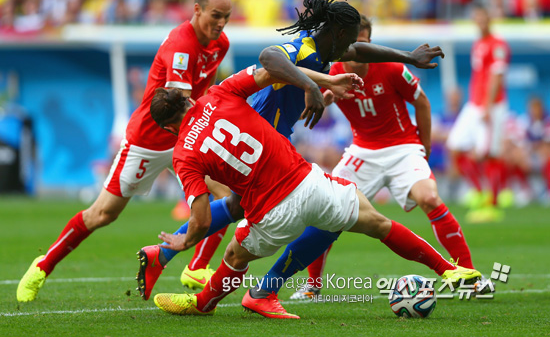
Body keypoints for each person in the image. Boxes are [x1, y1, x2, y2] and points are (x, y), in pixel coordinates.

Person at [136, 0, 446, 311]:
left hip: (266, 131)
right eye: (350, 40)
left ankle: (169, 257)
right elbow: (270, 59)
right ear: (339, 33)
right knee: (258, 210)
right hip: (261, 130)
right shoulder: (307, 47)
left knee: (234, 205)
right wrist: (314, 87)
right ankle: (232, 282)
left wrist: (407, 57)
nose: (352, 50)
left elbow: (357, 50)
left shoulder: (325, 47)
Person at [148, 66, 481, 319]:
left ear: (167, 128)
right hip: (311, 184)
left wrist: (184, 241)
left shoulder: (183, 156)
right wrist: (321, 82)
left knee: (235, 256)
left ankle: (205, 303)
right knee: (379, 225)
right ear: (189, 98)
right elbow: (271, 69)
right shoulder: (220, 92)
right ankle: (450, 270)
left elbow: (202, 218)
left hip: (270, 216)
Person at [16, 0, 233, 302]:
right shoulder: (181, 45)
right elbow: (182, 105)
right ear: (197, 9)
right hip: (149, 138)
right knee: (102, 215)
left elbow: (202, 94)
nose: (221, 23)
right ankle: (43, 265)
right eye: (216, 15)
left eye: (227, 17)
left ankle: (197, 266)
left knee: (230, 196)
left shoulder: (220, 43)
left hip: (185, 139)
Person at [290, 15, 480, 300]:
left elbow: (422, 102)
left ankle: (468, 275)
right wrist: (324, 97)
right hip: (362, 151)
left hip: (403, 147)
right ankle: (312, 286)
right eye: (351, 42)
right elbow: (324, 94)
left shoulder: (392, 69)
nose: (356, 48)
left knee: (429, 198)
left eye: (362, 42)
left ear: (370, 43)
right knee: (325, 209)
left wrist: (424, 148)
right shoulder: (335, 70)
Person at [446, 3, 511, 223]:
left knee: (489, 153)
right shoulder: (478, 44)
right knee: (455, 145)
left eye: (483, 18)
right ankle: (478, 192)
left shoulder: (498, 44)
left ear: (489, 19)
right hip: (474, 104)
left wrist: (488, 105)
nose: (480, 22)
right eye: (477, 18)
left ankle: (492, 205)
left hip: (490, 105)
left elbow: (497, 76)